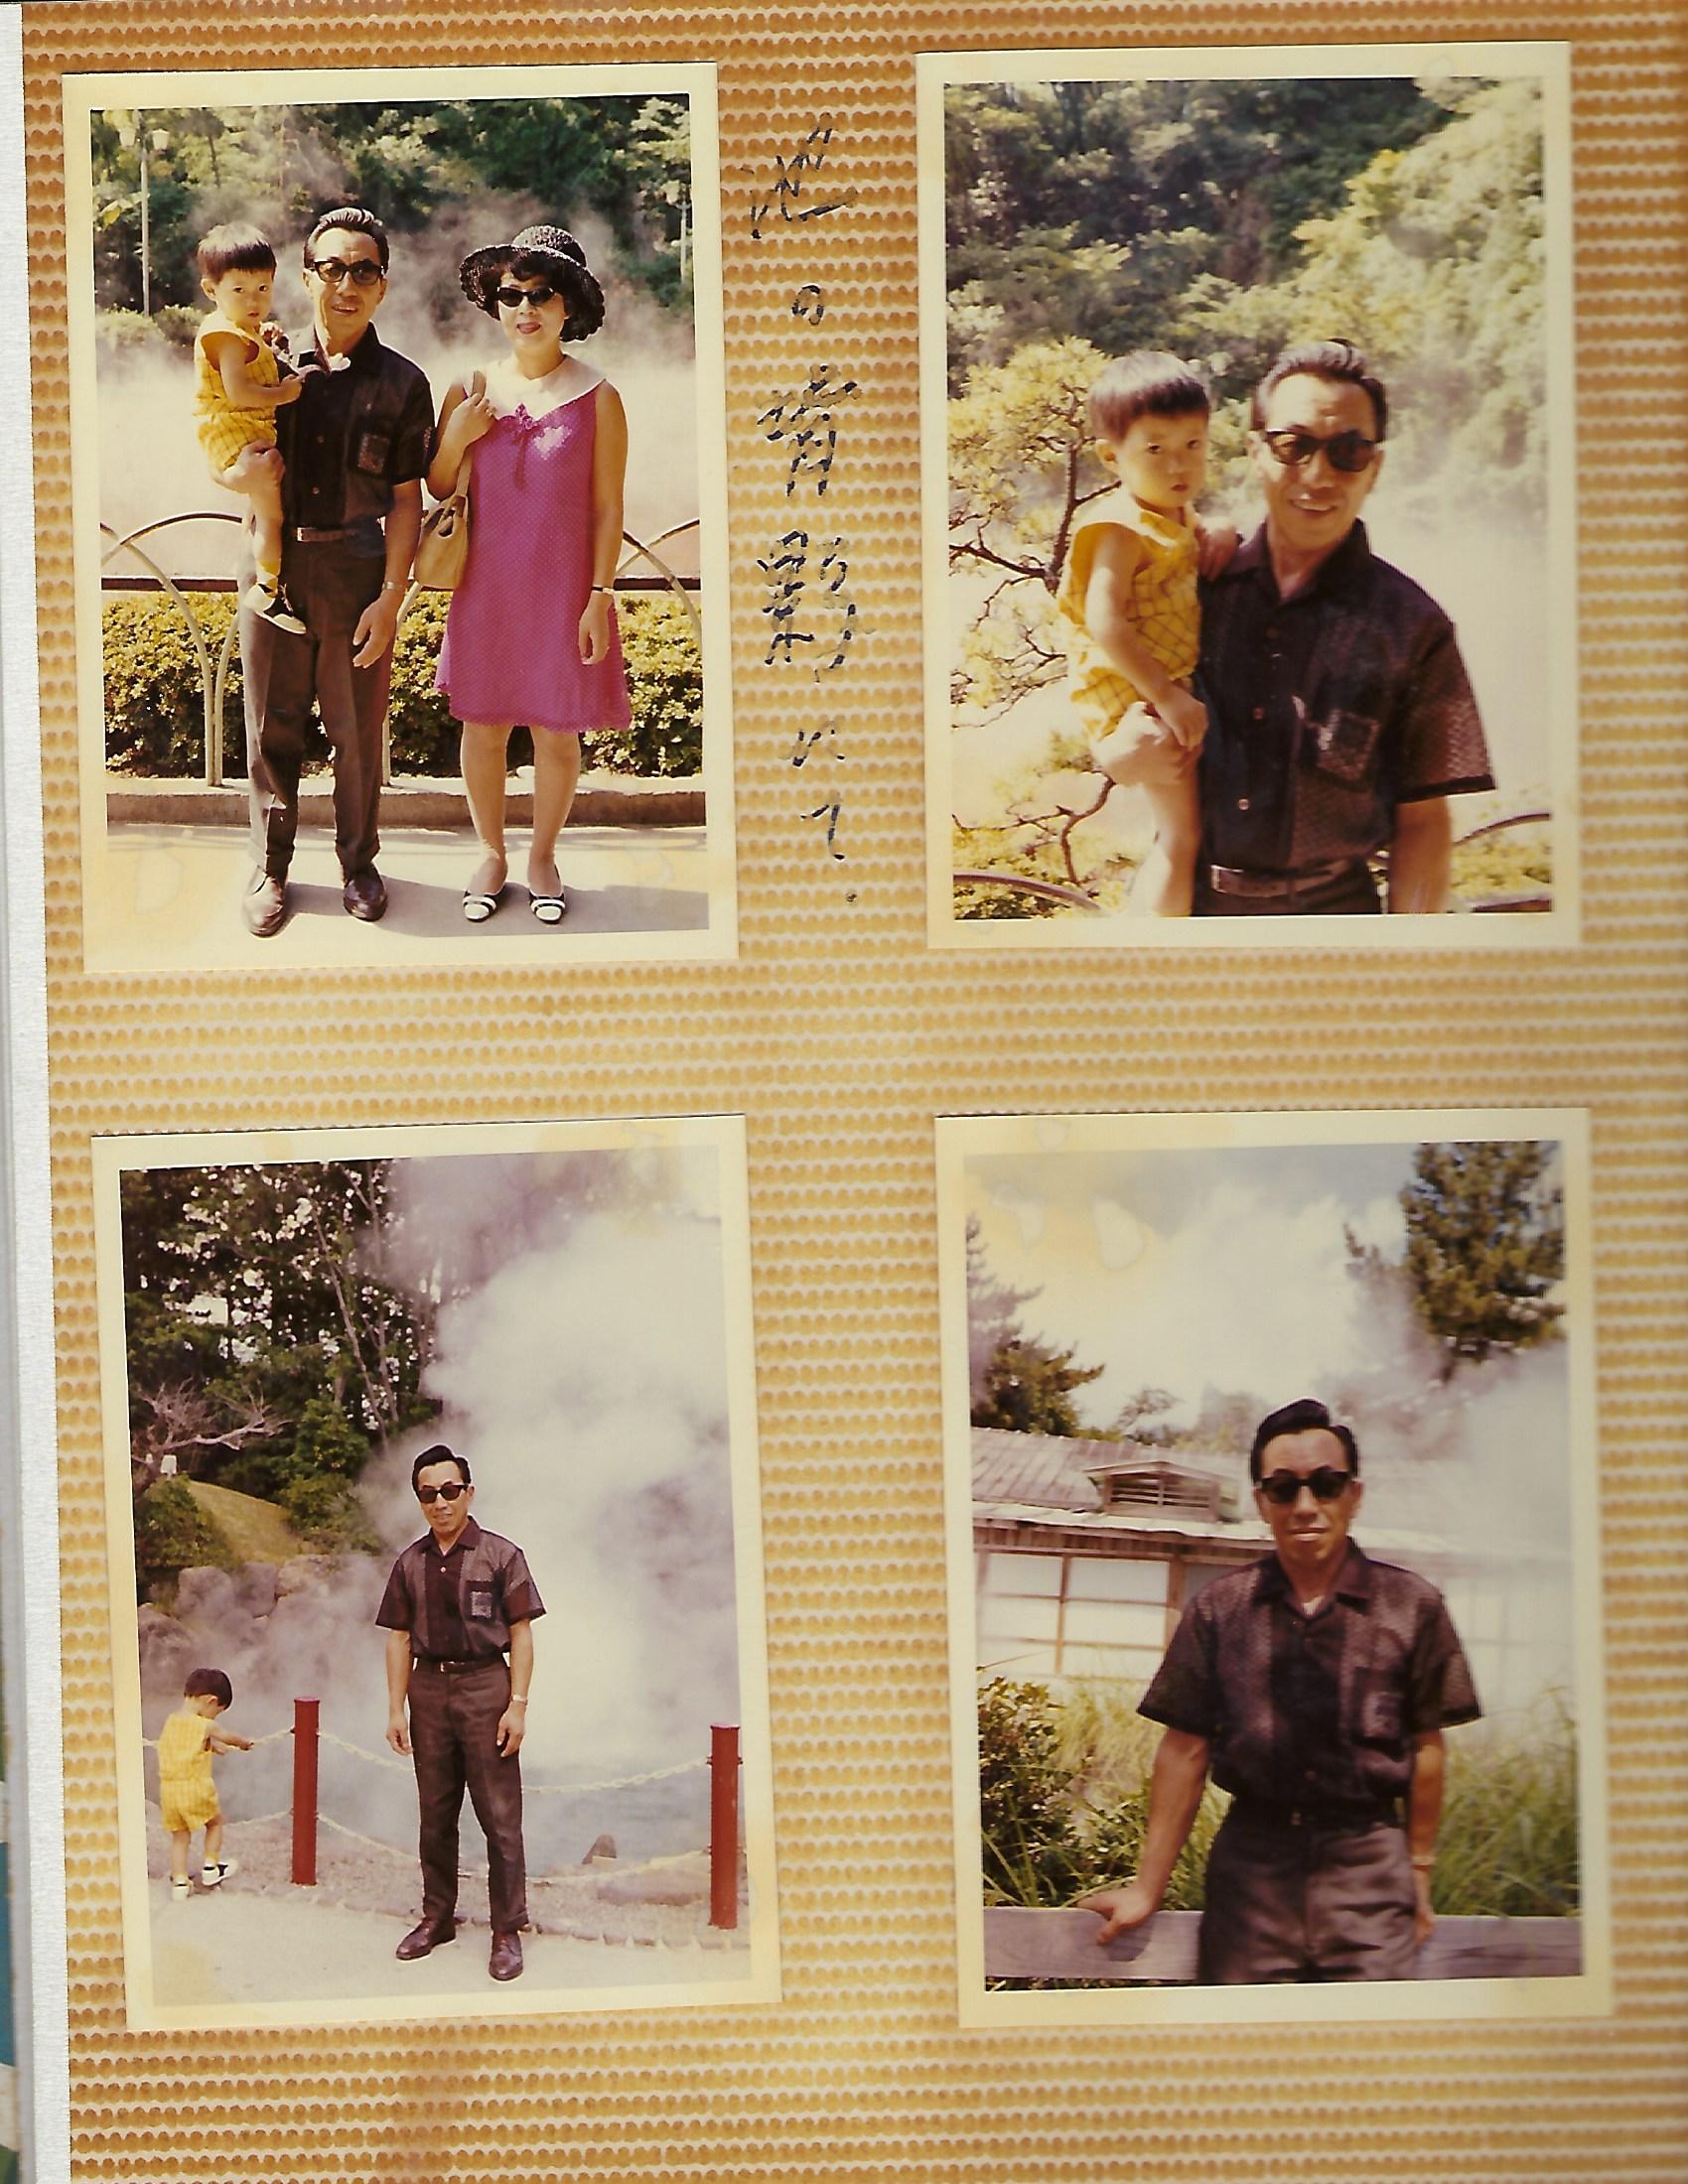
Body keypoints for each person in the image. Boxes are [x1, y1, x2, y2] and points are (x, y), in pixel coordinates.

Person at [1080, 1398, 1480, 1982]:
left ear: (1354, 1496)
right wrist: (1147, 1888)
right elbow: (1184, 1751)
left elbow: (1427, 1747)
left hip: (1370, 1869)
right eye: (1284, 1489)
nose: (1306, 1505)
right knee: (1245, 2052)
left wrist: (1417, 1876)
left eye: (1326, 1484)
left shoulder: (1413, 1607)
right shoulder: (1221, 1610)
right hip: (1253, 1872)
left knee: (1369, 2053)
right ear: (1261, 1503)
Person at [1100, 340, 1494, 914]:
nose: (1318, 475)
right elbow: (1100, 669)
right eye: (1294, 446)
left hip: (1336, 918)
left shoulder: (1413, 626)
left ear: (1375, 467)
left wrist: (1410, 957)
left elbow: (1425, 823)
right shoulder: (1188, 583)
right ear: (1257, 453)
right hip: (1189, 908)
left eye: (1348, 452)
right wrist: (1113, 757)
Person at [427, 224, 632, 926]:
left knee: (554, 732)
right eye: (512, 294)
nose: (526, 307)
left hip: (563, 590)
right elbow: (437, 485)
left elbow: (608, 509)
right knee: (481, 724)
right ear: (496, 304)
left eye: (542, 293)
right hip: (485, 587)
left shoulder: (599, 396)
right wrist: (455, 437)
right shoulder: (470, 385)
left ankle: (543, 855)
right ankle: (490, 852)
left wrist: (599, 599)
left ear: (568, 304)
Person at [238, 205, 434, 938]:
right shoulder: (266, 367)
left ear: (382, 286)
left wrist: (391, 596)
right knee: (271, 727)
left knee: (356, 733)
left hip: (356, 568)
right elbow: (220, 448)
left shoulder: (404, 384)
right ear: (308, 276)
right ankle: (271, 867)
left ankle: (358, 863)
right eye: (332, 268)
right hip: (274, 568)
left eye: (364, 270)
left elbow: (409, 499)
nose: (346, 284)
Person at [1054, 352, 1228, 916]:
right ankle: (1152, 952)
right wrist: (1167, 695)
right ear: (1111, 456)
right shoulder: (1120, 528)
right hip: (1134, 695)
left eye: (1193, 445)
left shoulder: (1174, 510)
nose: (1178, 464)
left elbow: (1192, 545)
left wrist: (1216, 530)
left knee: (1195, 825)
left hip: (1162, 688)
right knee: (1182, 837)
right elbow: (1105, 621)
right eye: (1155, 449)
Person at [375, 1443, 544, 1982]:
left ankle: (506, 1930)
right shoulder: (410, 1563)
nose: (441, 1503)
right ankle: (437, 1917)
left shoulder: (501, 1555)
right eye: (429, 1494)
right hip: (429, 1690)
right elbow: (399, 1638)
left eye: (450, 1491)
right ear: (419, 1499)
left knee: (499, 1816)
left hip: (485, 1686)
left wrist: (517, 1705)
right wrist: (396, 1707)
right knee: (435, 1813)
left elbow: (520, 1634)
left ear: (469, 1492)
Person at [193, 223, 306, 634]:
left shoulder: (243, 330)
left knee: (268, 514)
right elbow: (239, 391)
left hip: (244, 437)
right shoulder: (223, 335)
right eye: (239, 290)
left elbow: (252, 353)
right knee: (271, 516)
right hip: (234, 434)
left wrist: (265, 335)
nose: (253, 300)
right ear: (212, 291)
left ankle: (267, 586)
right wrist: (285, 394)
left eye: (263, 288)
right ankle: (268, 591)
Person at [156, 1666, 253, 1903]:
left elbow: (184, 1744)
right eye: (217, 1712)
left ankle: (179, 1883)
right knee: (216, 1822)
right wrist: (243, 1744)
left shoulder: (171, 1721)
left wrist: (210, 1745)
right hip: (195, 1788)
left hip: (169, 1792)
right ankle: (211, 1867)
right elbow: (227, 1735)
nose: (215, 1718)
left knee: (180, 1837)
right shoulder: (205, 1725)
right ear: (211, 1701)